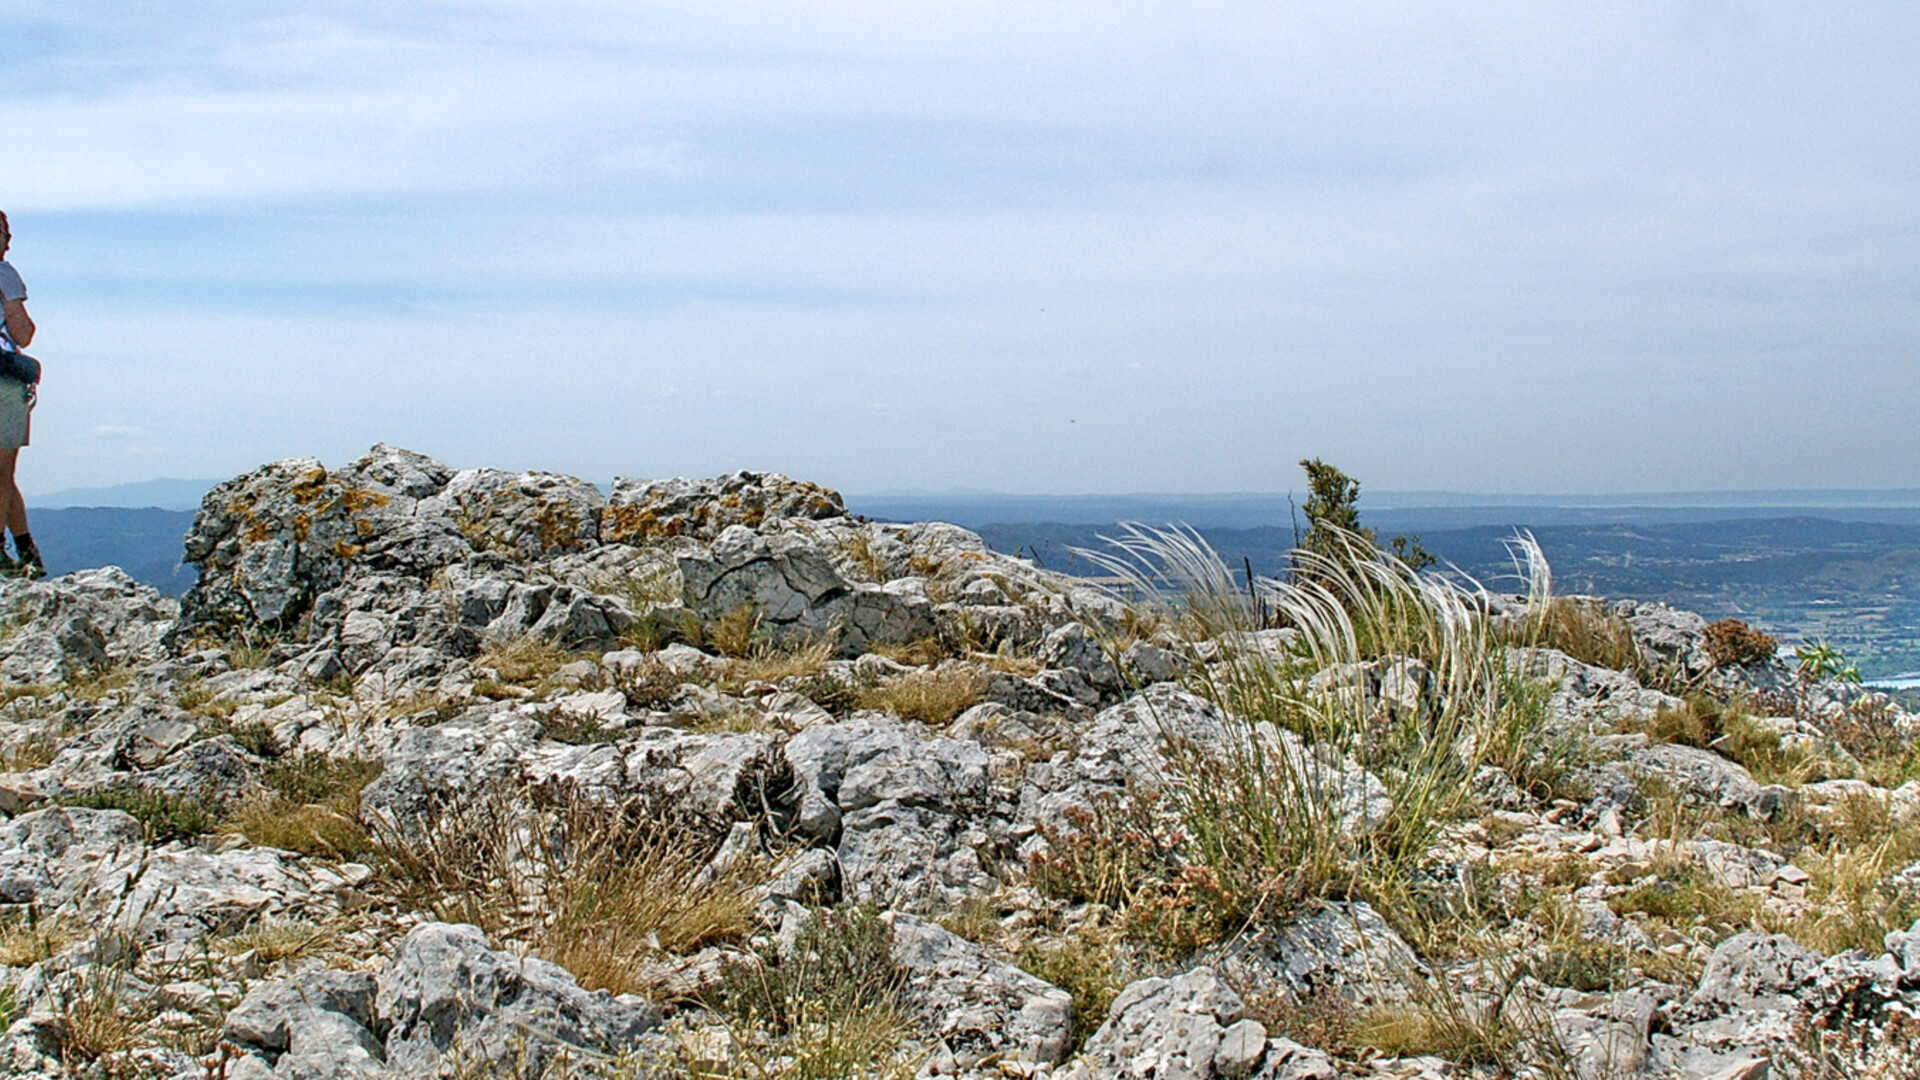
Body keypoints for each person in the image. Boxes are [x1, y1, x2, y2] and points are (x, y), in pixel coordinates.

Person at [0, 211, 43, 579]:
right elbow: (23, 333)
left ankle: (23, 550)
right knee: (1, 470)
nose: (8, 242)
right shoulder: (4, 274)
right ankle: (16, 550)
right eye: (3, 234)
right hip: (3, 378)